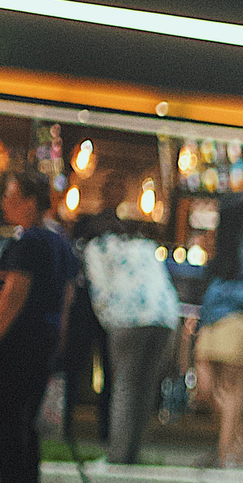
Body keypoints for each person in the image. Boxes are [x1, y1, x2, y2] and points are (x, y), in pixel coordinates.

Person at [0, 171, 79, 483]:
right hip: (44, 337)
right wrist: (58, 336)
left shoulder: (29, 241)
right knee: (28, 417)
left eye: (12, 197)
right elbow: (67, 295)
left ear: (31, 202)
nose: (6, 204)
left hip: (18, 338)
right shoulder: (59, 240)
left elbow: (15, 293)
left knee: (6, 415)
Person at [73, 187, 179, 468]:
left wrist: (109, 323)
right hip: (165, 317)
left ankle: (117, 455)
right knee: (145, 390)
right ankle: (133, 452)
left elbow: (101, 291)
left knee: (124, 388)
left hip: (128, 320)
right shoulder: (142, 245)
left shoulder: (96, 248)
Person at [192, 195, 243, 470]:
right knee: (208, 386)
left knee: (231, 389)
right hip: (214, 321)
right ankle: (236, 444)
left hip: (237, 320)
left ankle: (226, 451)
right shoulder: (224, 242)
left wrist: (221, 293)